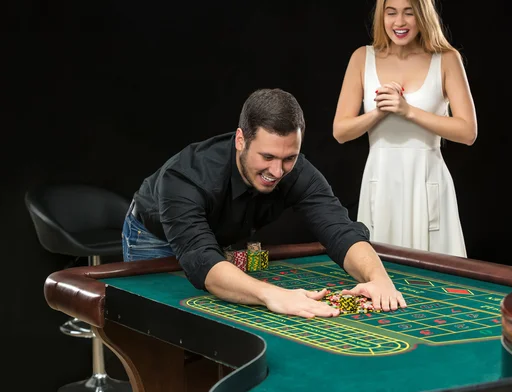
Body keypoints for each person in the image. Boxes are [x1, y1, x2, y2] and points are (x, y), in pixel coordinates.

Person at [122, 88, 407, 319]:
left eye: (289, 158)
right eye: (267, 157)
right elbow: (202, 261)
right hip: (154, 239)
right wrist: (275, 295)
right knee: (161, 328)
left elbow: (339, 230)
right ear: (240, 140)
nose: (278, 171)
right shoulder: (186, 176)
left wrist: (378, 277)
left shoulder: (297, 172)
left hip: (215, 239)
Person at [332, 0, 477, 257]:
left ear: (422, 15)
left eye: (409, 12)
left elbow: (467, 132)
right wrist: (379, 112)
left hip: (426, 179)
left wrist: (407, 110)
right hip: (381, 179)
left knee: (435, 277)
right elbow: (341, 131)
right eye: (391, 12)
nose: (399, 22)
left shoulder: (446, 59)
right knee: (381, 279)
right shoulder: (361, 58)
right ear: (382, 16)